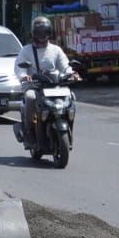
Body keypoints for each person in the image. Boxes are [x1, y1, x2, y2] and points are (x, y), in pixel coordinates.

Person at [16, 15, 78, 144]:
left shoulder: (56, 50)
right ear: (34, 34)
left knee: (71, 96)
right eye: (39, 33)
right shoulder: (26, 51)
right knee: (30, 97)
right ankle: (29, 130)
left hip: (54, 86)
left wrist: (72, 74)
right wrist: (24, 76)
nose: (42, 36)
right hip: (35, 86)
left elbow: (65, 66)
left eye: (45, 32)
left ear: (49, 33)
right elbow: (19, 68)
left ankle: (69, 125)